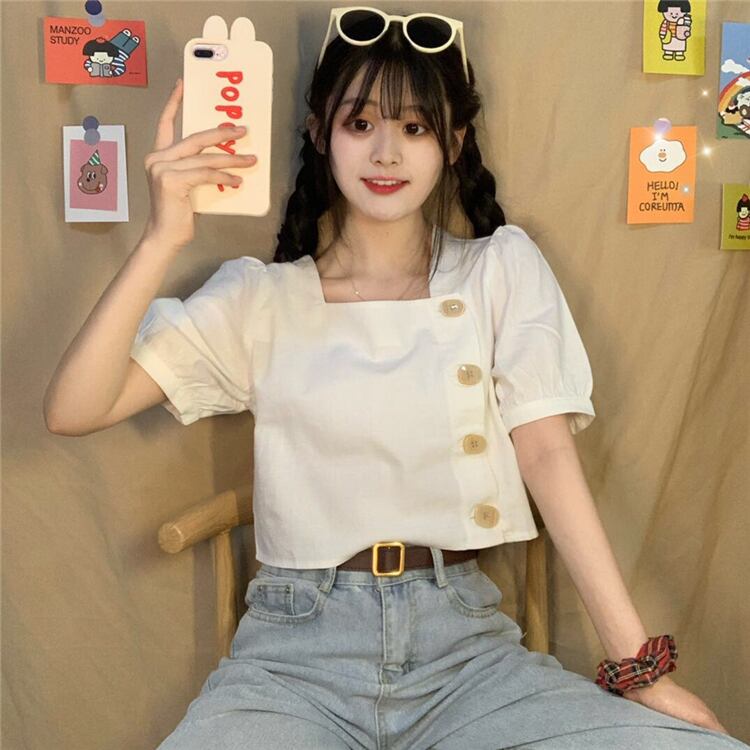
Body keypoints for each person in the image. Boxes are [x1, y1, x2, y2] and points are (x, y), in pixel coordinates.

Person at [43, 7, 749, 750]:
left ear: (454, 142)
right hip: (291, 662)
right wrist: (163, 237)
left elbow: (546, 454)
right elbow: (75, 408)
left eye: (415, 127)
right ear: (320, 133)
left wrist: (638, 669)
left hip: (469, 664)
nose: (386, 152)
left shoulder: (500, 269)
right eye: (360, 123)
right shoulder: (259, 297)